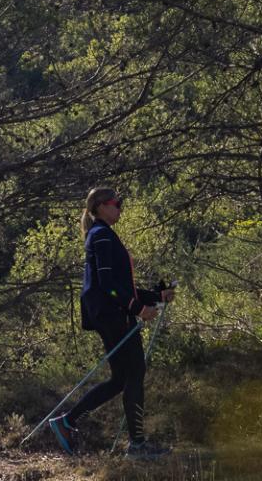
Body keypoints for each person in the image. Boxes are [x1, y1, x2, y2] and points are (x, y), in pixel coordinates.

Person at [45, 187, 175, 459]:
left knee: (121, 379)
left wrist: (155, 295)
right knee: (135, 373)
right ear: (102, 206)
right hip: (112, 315)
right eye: (117, 203)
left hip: (112, 313)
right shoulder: (102, 236)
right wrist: (137, 308)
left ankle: (68, 422)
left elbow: (121, 286)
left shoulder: (103, 234)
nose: (120, 208)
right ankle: (137, 446)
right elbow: (107, 285)